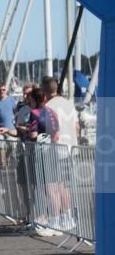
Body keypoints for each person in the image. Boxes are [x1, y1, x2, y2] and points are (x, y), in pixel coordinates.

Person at [42, 76, 78, 232]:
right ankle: (67, 217)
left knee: (52, 187)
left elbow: (48, 129)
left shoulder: (48, 106)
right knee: (64, 186)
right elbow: (76, 126)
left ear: (44, 89)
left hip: (55, 149)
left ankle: (55, 220)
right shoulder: (68, 104)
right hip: (71, 148)